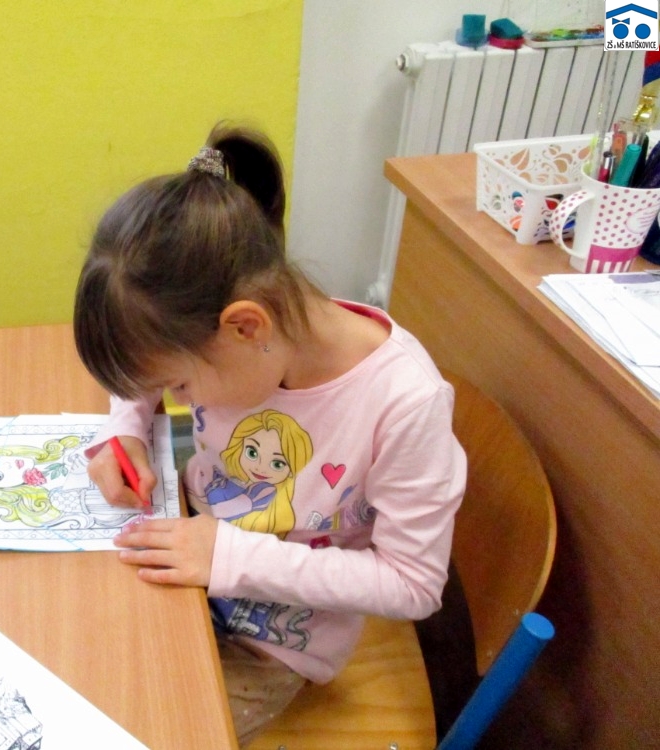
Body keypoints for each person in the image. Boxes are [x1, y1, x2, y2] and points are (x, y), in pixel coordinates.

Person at [72, 123, 467, 746]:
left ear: (245, 327)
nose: (177, 399)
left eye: (180, 385)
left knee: (144, 726)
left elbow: (412, 584)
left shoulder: (404, 403)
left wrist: (227, 557)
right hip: (187, 557)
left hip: (273, 641)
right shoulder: (247, 335)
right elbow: (147, 358)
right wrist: (127, 430)